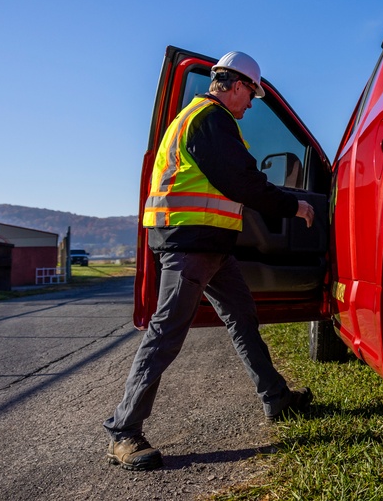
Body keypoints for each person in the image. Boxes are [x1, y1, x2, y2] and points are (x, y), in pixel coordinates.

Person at [104, 50, 315, 471]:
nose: (251, 104)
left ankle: (277, 398)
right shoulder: (210, 119)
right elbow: (241, 181)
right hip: (189, 243)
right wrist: (293, 206)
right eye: (251, 95)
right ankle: (124, 432)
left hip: (208, 244)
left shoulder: (201, 119)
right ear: (237, 85)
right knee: (166, 333)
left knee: (242, 317)